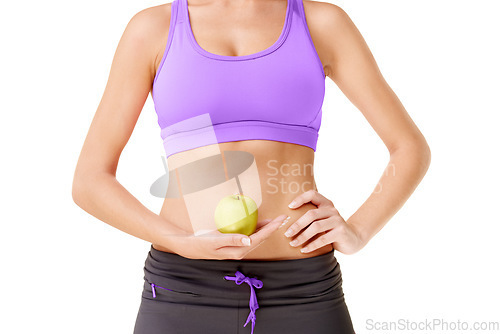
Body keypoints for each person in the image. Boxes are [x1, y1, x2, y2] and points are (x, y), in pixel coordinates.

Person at [72, 0, 431, 333]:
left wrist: (358, 231)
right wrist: (180, 241)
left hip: (303, 291)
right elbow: (90, 180)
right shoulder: (154, 28)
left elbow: (409, 148)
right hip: (182, 288)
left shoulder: (321, 23)